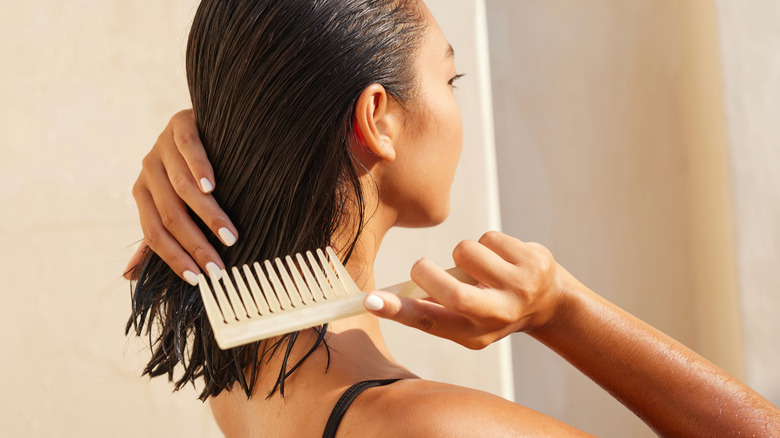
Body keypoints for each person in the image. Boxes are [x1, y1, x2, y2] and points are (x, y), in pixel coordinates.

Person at [125, 0, 780, 436]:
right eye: (450, 80)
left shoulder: (243, 371)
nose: (455, 105)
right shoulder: (434, 427)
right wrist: (562, 308)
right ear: (377, 118)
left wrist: (234, 138)